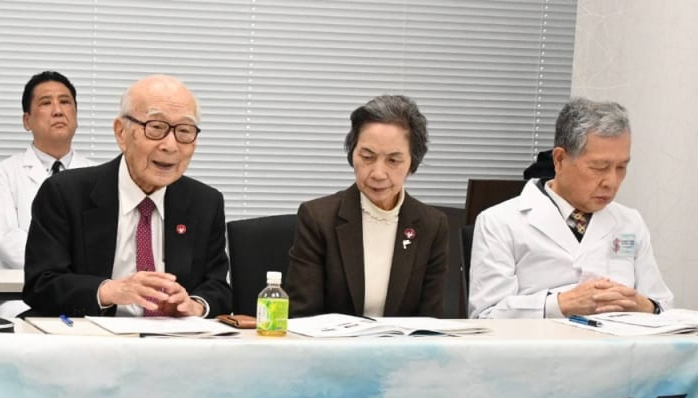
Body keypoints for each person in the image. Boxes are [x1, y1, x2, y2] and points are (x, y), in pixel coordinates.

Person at [23, 74, 231, 318]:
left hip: (174, 345)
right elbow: (41, 285)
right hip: (91, 344)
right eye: (156, 128)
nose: (171, 145)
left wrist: (195, 306)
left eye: (184, 131)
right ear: (121, 133)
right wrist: (109, 291)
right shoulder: (65, 193)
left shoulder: (205, 203)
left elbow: (218, 287)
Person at [470, 98, 672, 319]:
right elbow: (486, 317)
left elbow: (661, 304)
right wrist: (560, 305)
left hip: (621, 349)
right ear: (560, 159)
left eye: (621, 167)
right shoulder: (500, 222)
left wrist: (642, 305)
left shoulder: (630, 221)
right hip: (542, 350)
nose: (612, 182)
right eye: (599, 167)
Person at [283, 95, 448, 318]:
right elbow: (303, 316)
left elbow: (431, 320)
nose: (378, 174)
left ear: (412, 163)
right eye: (367, 157)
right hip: (332, 350)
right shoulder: (318, 219)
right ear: (352, 154)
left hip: (405, 352)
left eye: (393, 160)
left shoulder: (432, 225)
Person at [0, 71, 94, 317]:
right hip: (22, 295)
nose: (58, 110)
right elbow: (6, 240)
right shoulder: (3, 173)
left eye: (65, 102)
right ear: (27, 120)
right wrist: (69, 267)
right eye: (46, 103)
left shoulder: (97, 175)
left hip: (85, 295)